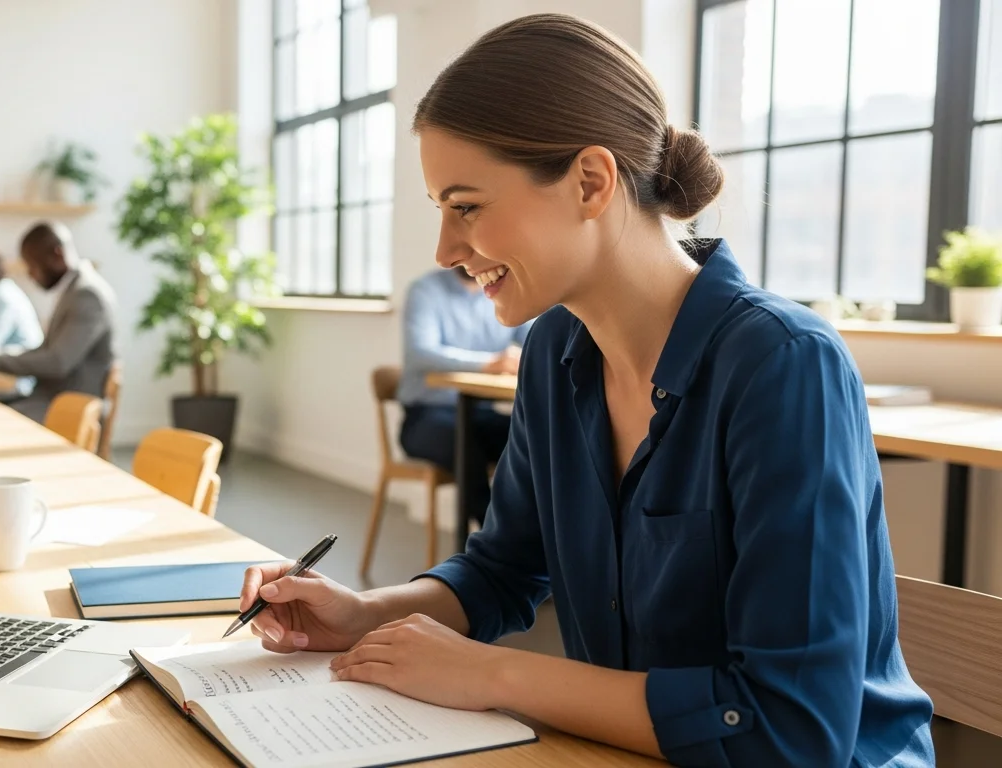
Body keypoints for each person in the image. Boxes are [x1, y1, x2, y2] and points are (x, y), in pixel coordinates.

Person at [238, 14, 933, 766]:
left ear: (591, 182)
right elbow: (502, 571)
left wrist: (493, 672)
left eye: (465, 206)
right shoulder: (553, 350)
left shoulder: (783, 365)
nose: (445, 250)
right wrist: (362, 614)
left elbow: (789, 731)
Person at [0, 222, 117, 423]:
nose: (30, 274)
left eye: (33, 265)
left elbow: (57, 362)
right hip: (48, 397)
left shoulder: (87, 294)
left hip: (68, 406)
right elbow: (44, 350)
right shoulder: (74, 290)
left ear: (57, 254)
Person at [398, 267, 532, 522]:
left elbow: (537, 340)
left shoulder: (506, 292)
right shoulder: (426, 290)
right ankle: (496, 540)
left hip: (480, 413)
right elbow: (421, 352)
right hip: (425, 417)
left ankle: (541, 534)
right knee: (466, 446)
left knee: (536, 439)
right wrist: (489, 364)